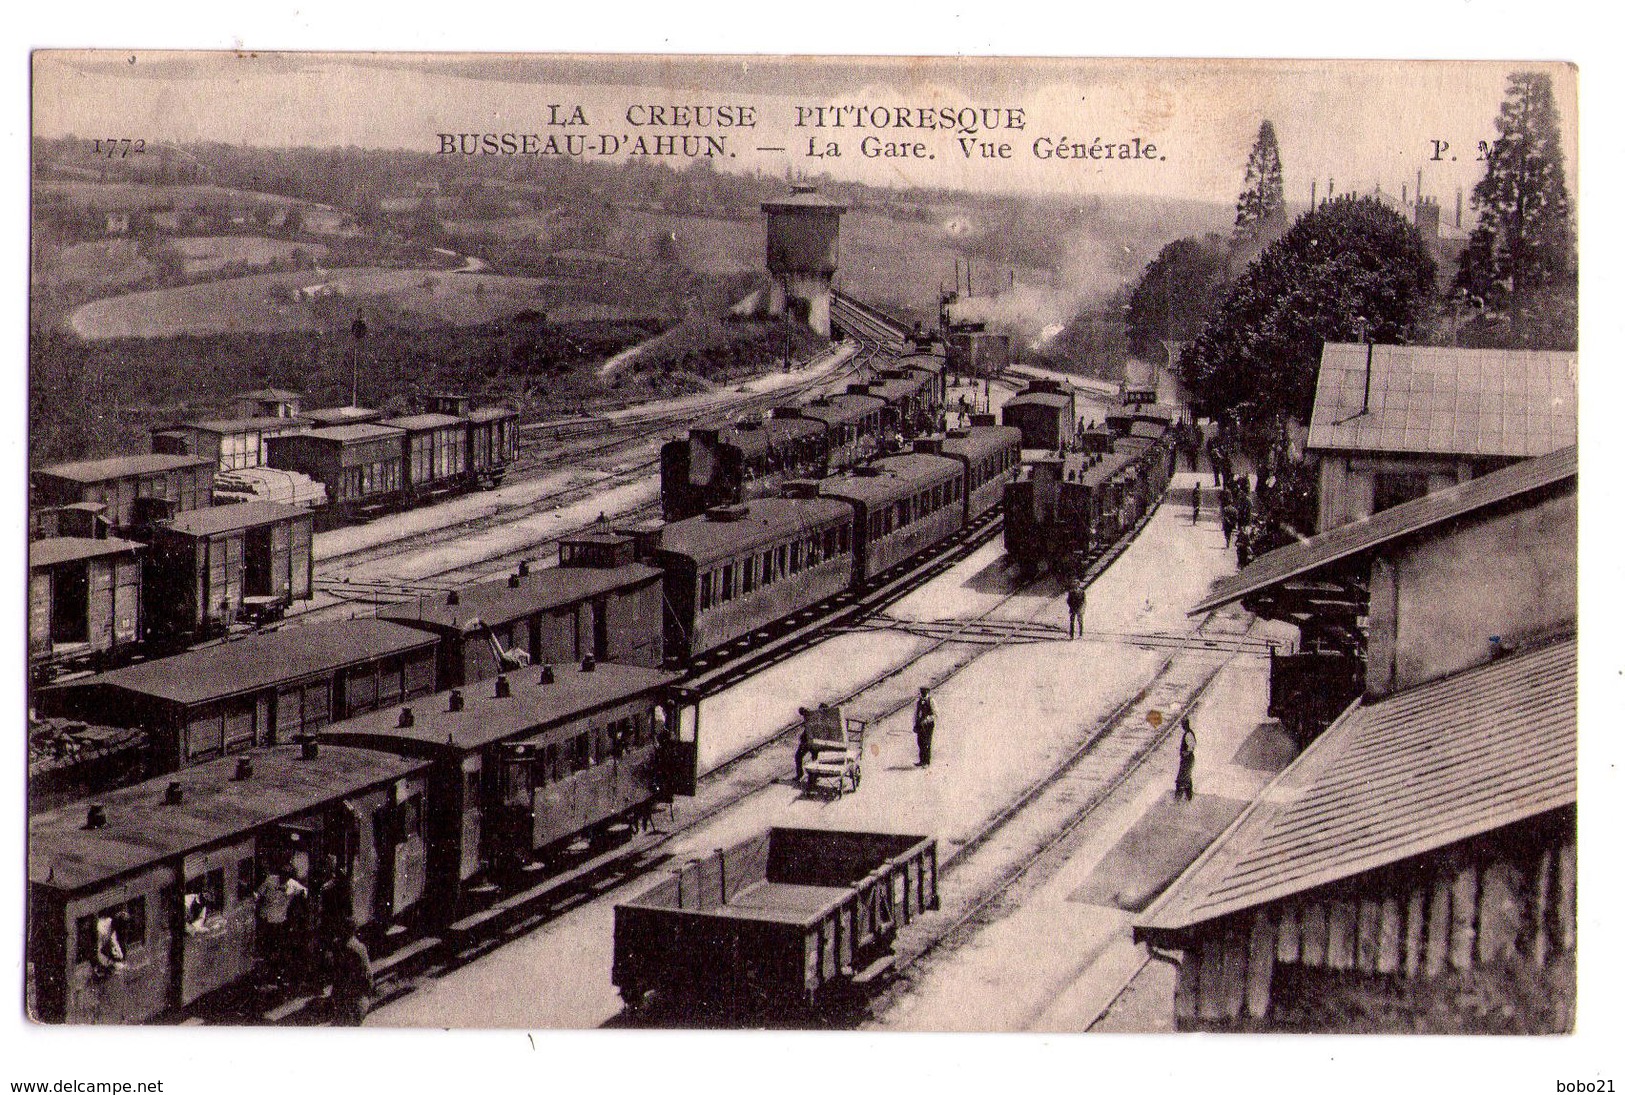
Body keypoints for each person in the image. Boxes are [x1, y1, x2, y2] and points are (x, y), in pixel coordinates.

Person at [328, 920, 375, 1027]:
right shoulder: (358, 947)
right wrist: (370, 983)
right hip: (355, 988)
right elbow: (367, 969)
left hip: (345, 988)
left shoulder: (338, 945)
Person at [1174, 718, 1196, 801]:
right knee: (1186, 777)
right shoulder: (1188, 733)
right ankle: (1188, 796)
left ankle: (1179, 797)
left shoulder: (1188, 734)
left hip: (1187, 758)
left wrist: (1186, 752)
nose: (1182, 726)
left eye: (1183, 724)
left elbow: (1192, 746)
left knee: (1182, 777)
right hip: (1187, 758)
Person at [913, 686, 936, 767]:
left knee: (927, 742)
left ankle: (927, 762)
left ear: (927, 693)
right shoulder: (918, 701)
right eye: (921, 693)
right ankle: (921, 760)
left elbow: (935, 714)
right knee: (920, 742)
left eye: (924, 693)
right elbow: (915, 714)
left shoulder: (931, 701)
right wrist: (915, 724)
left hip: (928, 725)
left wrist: (927, 719)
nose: (922, 694)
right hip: (920, 725)